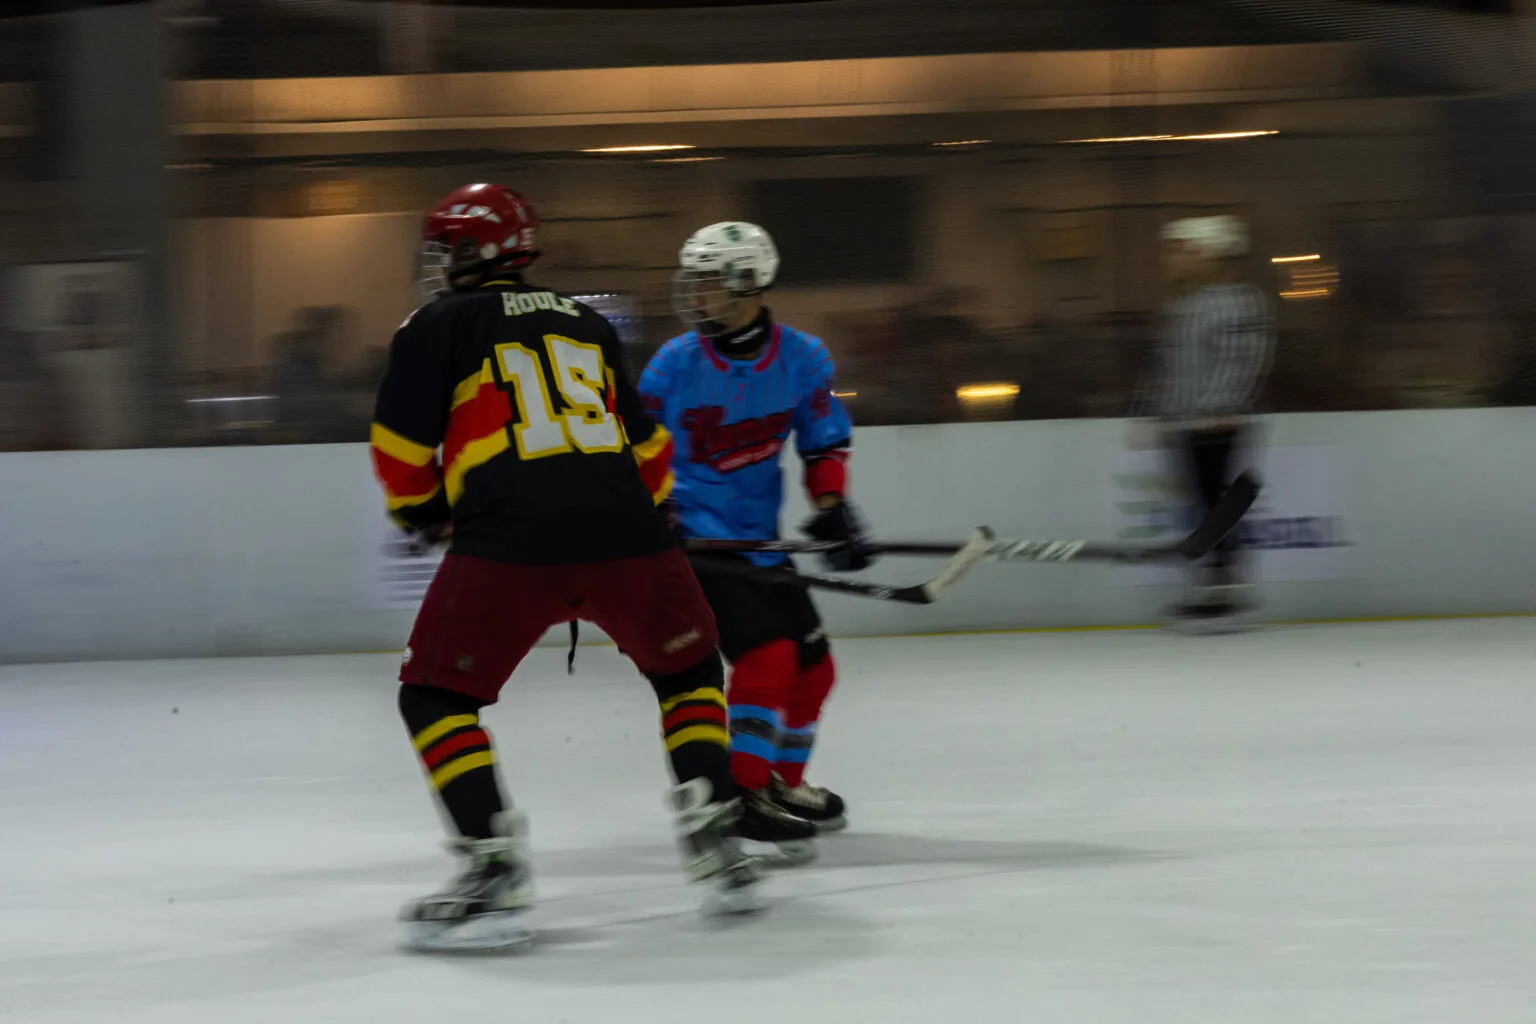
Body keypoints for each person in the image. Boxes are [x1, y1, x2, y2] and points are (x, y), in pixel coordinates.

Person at [372, 184, 769, 953]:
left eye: (445, 247)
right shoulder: (587, 320)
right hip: (629, 536)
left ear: (475, 253)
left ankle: (493, 869)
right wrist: (655, 514)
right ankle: (716, 828)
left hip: (511, 544)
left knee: (434, 700)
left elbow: (399, 449)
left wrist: (421, 515)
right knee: (688, 676)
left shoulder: (434, 326)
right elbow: (646, 444)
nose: (436, 264)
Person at [639, 221, 872, 857]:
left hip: (758, 542)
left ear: (748, 283)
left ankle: (779, 785)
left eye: (708, 281)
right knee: (766, 656)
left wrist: (833, 508)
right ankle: (742, 799)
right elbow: (635, 450)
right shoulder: (672, 364)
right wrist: (655, 515)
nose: (695, 293)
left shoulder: (803, 359)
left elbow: (824, 439)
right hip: (695, 543)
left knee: (815, 669)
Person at [1147, 214, 1274, 627]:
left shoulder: (1236, 300)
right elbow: (1173, 367)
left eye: (1184, 251)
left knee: (1214, 503)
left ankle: (1223, 587)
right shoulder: (1188, 305)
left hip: (1214, 421)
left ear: (1209, 254)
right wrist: (1163, 413)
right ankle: (1214, 584)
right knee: (1202, 505)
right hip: (1188, 421)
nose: (1173, 261)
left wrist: (1219, 407)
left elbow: (1242, 360)